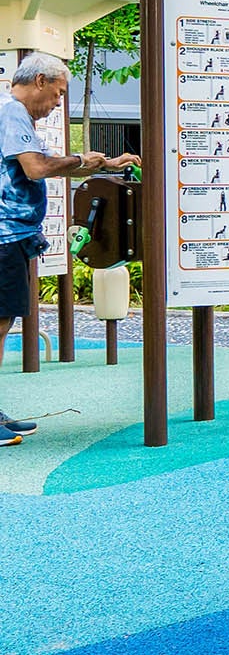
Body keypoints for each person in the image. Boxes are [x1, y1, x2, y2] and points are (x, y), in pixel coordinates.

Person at [0, 53, 140, 446]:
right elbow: (36, 168)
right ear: (40, 81)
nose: (60, 103)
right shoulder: (11, 113)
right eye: (59, 93)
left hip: (11, 235)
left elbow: (44, 164)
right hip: (3, 235)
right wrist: (82, 159)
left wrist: (105, 163)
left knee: (2, 322)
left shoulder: (15, 116)